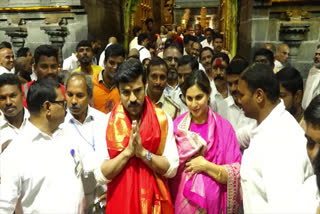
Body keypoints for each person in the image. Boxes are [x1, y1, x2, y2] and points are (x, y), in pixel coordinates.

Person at [94, 59, 179, 213]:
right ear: (118, 92)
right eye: (126, 92)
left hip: (155, 205)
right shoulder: (105, 123)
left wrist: (143, 153)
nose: (132, 98)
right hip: (120, 204)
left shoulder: (163, 119)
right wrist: (127, 153)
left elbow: (171, 168)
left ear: (145, 86)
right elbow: (101, 175)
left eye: (137, 91)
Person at [0, 78, 85, 213]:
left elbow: (95, 171)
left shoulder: (69, 137)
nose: (66, 107)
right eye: (62, 103)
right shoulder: (15, 153)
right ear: (47, 107)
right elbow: (3, 206)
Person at [238, 64, 314, 212]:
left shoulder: (281, 140)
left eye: (242, 95)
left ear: (259, 96)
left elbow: (285, 208)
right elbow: (241, 136)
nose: (239, 101)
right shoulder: (266, 124)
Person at [171, 70, 242, 214]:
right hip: (181, 205)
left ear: (208, 93)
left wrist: (205, 165)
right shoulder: (177, 127)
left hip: (214, 207)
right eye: (189, 99)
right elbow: (171, 169)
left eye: (199, 97)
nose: (194, 104)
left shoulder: (224, 128)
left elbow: (236, 171)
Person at [62, 72, 109, 213]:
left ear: (89, 96)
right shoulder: (60, 126)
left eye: (79, 95)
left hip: (106, 197)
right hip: (76, 202)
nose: (74, 101)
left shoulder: (103, 120)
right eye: (70, 95)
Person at [217, 60, 256, 150]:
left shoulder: (256, 108)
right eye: (230, 84)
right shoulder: (221, 106)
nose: (233, 89)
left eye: (237, 83)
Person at [92, 43, 125, 114]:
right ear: (104, 62)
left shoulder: (125, 86)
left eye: (119, 64)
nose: (115, 67)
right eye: (111, 63)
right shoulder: (91, 83)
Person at [0, 74, 29, 153]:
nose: (8, 102)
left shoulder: (38, 122)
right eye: (2, 98)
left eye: (12, 96)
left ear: (23, 96)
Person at [302, 45, 320, 110]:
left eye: (319, 54)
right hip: (305, 110)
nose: (317, 56)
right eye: (316, 54)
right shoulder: (312, 70)